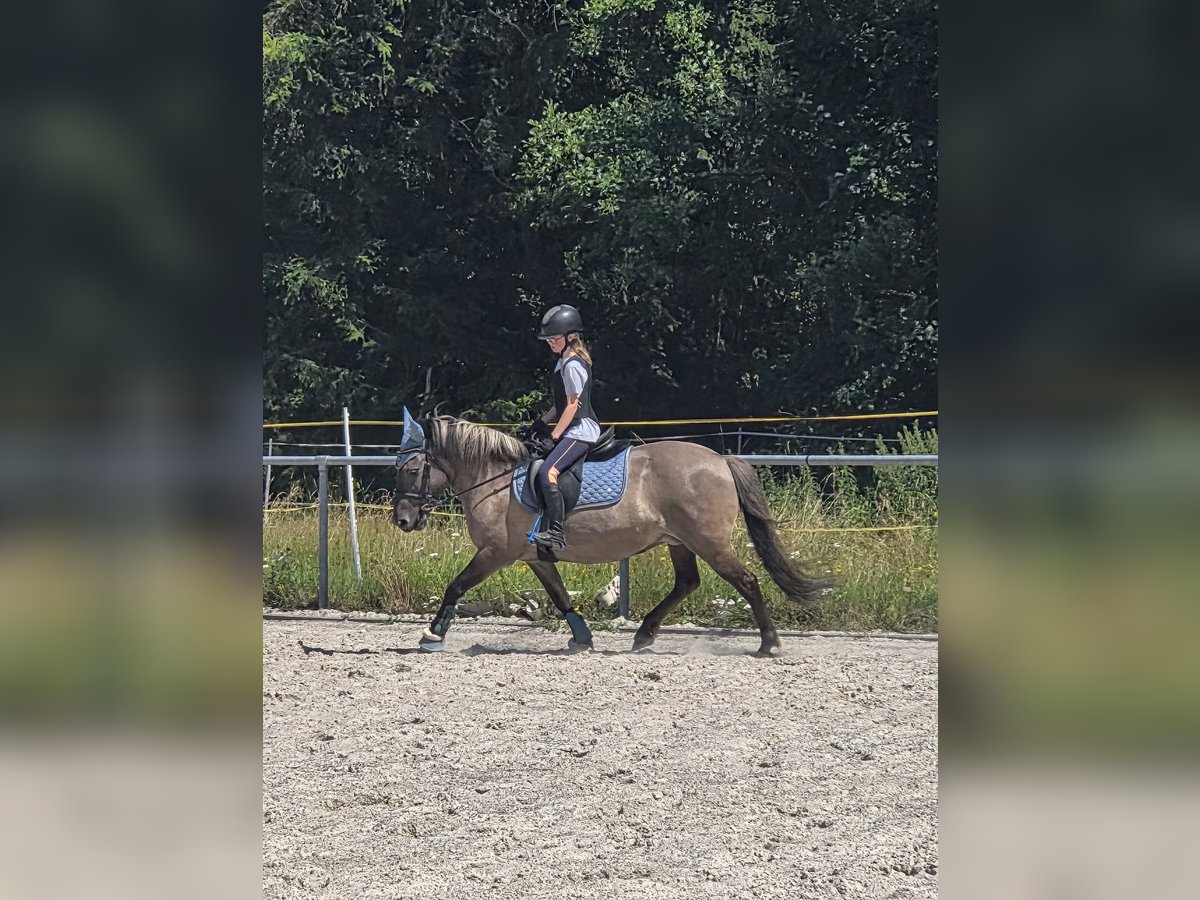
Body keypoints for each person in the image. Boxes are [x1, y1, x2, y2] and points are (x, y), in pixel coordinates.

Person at [528, 304, 600, 551]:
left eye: (554, 338)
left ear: (570, 337)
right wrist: (541, 423)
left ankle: (556, 533)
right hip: (572, 427)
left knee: (548, 472)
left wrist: (555, 435)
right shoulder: (563, 362)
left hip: (582, 429)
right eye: (547, 339)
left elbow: (572, 406)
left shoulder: (572, 365)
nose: (550, 343)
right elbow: (559, 406)